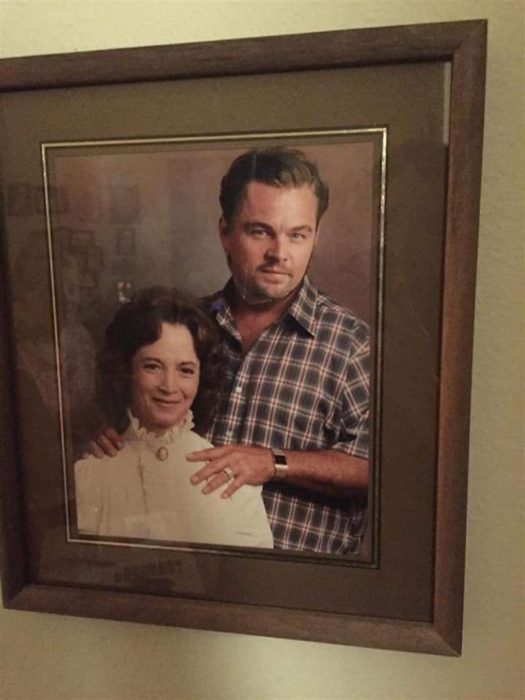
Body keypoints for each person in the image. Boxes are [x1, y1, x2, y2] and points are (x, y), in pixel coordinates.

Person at [92, 146, 370, 556]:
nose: (279, 253)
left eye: (298, 234)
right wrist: (113, 440)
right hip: (186, 578)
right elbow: (139, 422)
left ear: (315, 236)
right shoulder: (184, 326)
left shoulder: (352, 344)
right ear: (225, 232)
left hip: (298, 590)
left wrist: (274, 463)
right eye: (260, 231)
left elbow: (380, 468)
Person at [74, 286, 274, 549]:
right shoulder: (89, 475)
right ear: (126, 370)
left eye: (186, 370)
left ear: (202, 377)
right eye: (152, 366)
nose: (169, 386)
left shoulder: (232, 480)